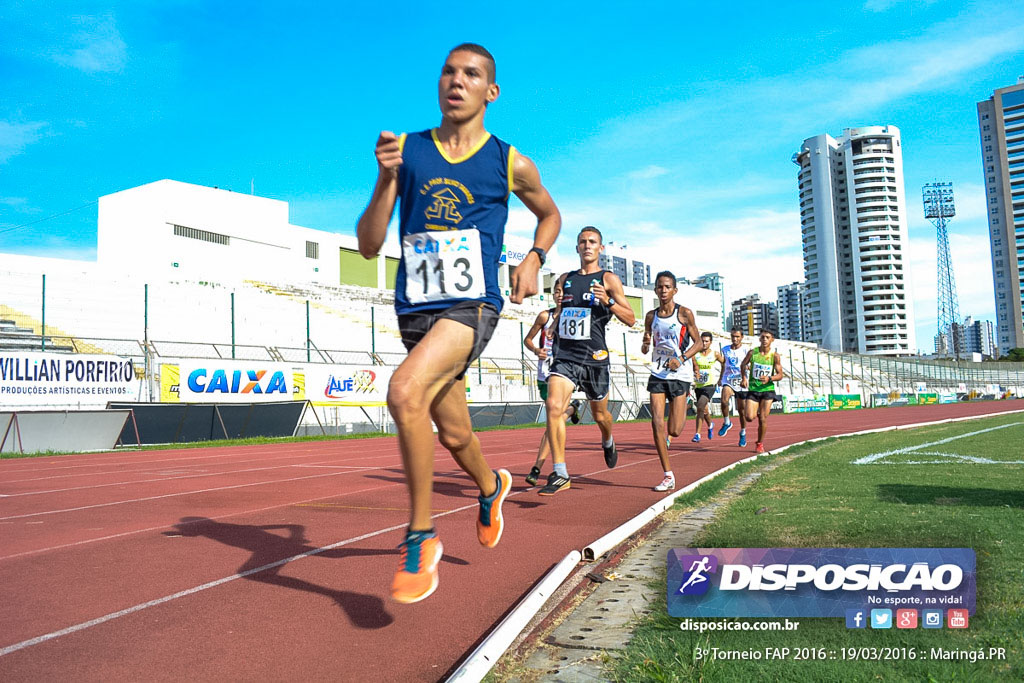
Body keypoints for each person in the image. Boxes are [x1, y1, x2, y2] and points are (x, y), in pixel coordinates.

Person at [356, 43, 561, 603]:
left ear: (490, 92)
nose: (457, 80)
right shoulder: (406, 150)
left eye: (471, 74)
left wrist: (533, 257)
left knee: (404, 391)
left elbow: (550, 214)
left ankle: (421, 535)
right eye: (449, 70)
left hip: (474, 306)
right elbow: (369, 245)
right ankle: (492, 485)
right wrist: (384, 180)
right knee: (454, 433)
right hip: (416, 310)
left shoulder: (510, 161)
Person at [540, 226, 635, 495]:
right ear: (577, 247)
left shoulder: (608, 279)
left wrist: (608, 301)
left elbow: (630, 318)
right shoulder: (565, 278)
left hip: (595, 358)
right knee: (553, 405)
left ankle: (607, 438)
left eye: (592, 242)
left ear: (600, 248)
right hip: (566, 356)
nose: (587, 245)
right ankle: (560, 472)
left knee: (600, 415)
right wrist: (555, 322)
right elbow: (561, 311)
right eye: (582, 242)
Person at [640, 271, 700, 491]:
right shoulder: (650, 316)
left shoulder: (684, 314)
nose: (663, 291)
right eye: (659, 287)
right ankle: (668, 475)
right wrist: (646, 344)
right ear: (655, 290)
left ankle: (687, 401)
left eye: (667, 287)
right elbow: (646, 345)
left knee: (674, 431)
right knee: (656, 422)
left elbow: (699, 343)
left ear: (674, 290)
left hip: (680, 374)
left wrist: (682, 358)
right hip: (658, 372)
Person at [522, 280, 580, 485]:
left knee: (550, 422)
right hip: (543, 373)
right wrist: (536, 350)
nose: (559, 295)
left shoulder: (574, 316)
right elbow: (527, 339)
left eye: (563, 292)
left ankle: (537, 467)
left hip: (563, 373)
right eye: (556, 291)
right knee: (556, 417)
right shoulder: (544, 316)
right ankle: (572, 411)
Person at [740, 328, 785, 454]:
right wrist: (744, 377)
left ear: (772, 340)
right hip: (754, 389)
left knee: (763, 418)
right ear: (759, 339)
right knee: (749, 417)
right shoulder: (752, 353)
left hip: (767, 390)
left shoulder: (774, 356)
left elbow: (780, 375)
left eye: (767, 337)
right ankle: (756, 414)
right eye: (763, 337)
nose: (764, 339)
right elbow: (743, 365)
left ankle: (759, 443)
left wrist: (770, 378)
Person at [717, 328, 750, 446]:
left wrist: (746, 368)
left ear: (742, 337)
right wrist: (720, 378)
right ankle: (726, 422)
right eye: (733, 336)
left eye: (737, 336)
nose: (735, 339)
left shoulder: (746, 350)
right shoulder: (725, 350)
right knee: (724, 400)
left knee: (741, 410)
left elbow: (750, 365)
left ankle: (743, 432)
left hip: (741, 382)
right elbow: (723, 365)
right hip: (728, 380)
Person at [691, 331, 724, 443]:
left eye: (706, 341)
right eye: (702, 341)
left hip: (710, 385)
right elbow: (693, 367)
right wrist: (695, 372)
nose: (704, 343)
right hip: (698, 385)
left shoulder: (715, 354)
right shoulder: (695, 354)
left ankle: (697, 434)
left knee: (700, 406)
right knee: (704, 410)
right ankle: (710, 424)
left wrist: (721, 378)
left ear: (710, 342)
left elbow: (724, 363)